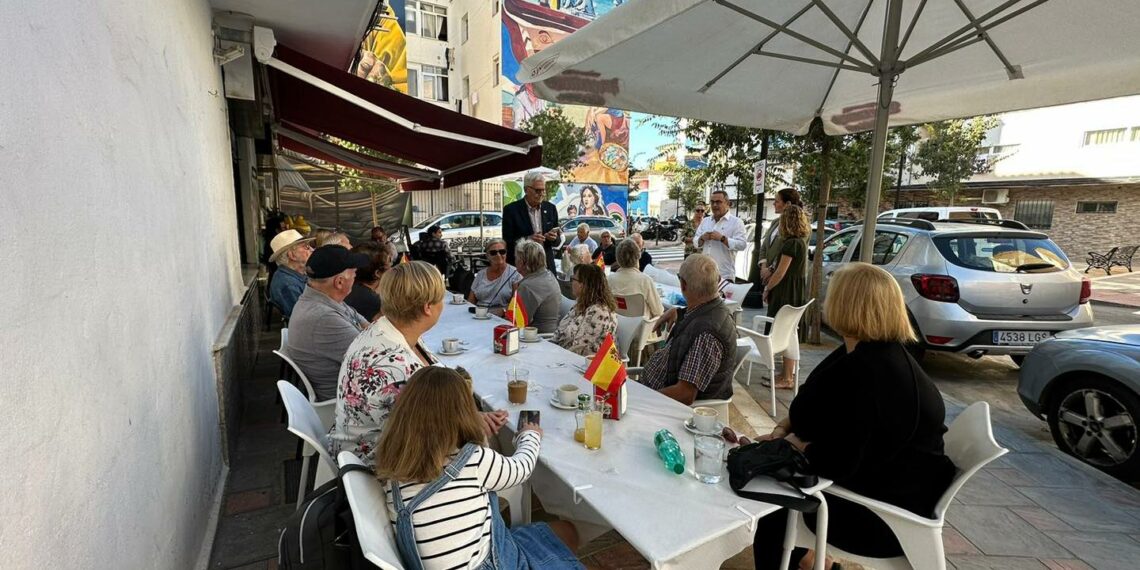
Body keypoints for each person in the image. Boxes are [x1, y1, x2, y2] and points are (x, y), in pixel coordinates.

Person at [751, 263, 956, 570]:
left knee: (771, 511)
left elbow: (837, 460)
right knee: (771, 479)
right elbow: (812, 405)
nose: (824, 301)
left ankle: (806, 559)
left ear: (847, 305)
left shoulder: (871, 373)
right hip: (897, 490)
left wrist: (794, 443)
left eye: (832, 295)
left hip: (882, 518)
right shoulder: (871, 353)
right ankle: (810, 560)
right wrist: (784, 431)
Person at [375, 367, 583, 570]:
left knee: (565, 532)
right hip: (493, 562)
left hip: (460, 556)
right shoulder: (473, 461)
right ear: (462, 412)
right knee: (568, 532)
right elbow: (522, 468)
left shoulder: (394, 465)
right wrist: (530, 435)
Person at [328, 261, 508, 464]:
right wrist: (470, 424)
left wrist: (471, 416)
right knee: (499, 455)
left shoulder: (388, 328)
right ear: (427, 308)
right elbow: (428, 440)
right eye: (441, 297)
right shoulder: (399, 370)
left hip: (359, 444)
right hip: (380, 467)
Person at [641, 254, 738, 405]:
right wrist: (678, 312)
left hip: (659, 406)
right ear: (718, 281)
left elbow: (685, 394)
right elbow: (700, 315)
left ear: (683, 285)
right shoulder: (708, 310)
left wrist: (642, 398)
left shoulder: (706, 335)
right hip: (652, 391)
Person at [286, 245, 372, 401]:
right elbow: (372, 357)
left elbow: (365, 323)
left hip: (352, 389)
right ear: (339, 282)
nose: (355, 278)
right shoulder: (324, 318)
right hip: (348, 403)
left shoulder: (324, 299)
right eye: (354, 273)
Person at [761, 204, 810, 389]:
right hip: (795, 290)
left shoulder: (790, 244)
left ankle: (787, 377)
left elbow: (780, 273)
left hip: (786, 291)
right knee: (789, 332)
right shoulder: (800, 242)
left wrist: (767, 289)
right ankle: (787, 375)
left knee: (784, 332)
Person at [552, 264, 618, 356]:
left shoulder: (599, 312)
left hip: (585, 365)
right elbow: (560, 333)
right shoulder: (581, 304)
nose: (571, 283)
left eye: (573, 279)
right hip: (564, 357)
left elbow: (578, 348)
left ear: (583, 285)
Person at [503, 171, 560, 271]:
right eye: (538, 191)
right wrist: (528, 239)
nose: (541, 194)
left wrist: (554, 238)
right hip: (523, 267)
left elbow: (557, 241)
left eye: (543, 190)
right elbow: (507, 242)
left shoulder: (551, 208)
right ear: (526, 190)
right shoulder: (511, 210)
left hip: (546, 266)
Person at [696, 190, 748, 282]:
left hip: (724, 275)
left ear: (727, 203)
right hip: (704, 273)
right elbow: (696, 241)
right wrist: (702, 238)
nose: (715, 205)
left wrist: (722, 238)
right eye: (712, 202)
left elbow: (742, 245)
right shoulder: (705, 221)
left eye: (718, 202)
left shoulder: (736, 222)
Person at [607, 238, 664, 320]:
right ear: (638, 257)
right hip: (641, 330)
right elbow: (658, 311)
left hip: (617, 327)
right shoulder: (645, 280)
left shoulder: (609, 280)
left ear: (618, 258)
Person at [514, 239, 562, 334]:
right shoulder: (548, 275)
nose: (515, 261)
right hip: (552, 332)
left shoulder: (528, 286)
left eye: (516, 258)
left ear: (523, 262)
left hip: (537, 337)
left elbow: (516, 322)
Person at [760, 188, 805, 286]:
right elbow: (764, 246)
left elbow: (790, 251)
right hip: (766, 277)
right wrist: (763, 267)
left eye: (777, 201)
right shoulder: (775, 222)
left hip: (785, 279)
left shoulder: (800, 227)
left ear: (787, 204)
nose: (773, 204)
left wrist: (771, 270)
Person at [467, 238, 522, 314]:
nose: (498, 255)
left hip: (502, 317)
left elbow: (517, 304)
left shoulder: (515, 274)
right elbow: (470, 302)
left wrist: (503, 311)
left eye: (502, 252)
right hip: (479, 315)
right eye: (493, 253)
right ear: (487, 256)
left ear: (506, 253)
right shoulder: (480, 274)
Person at [267, 229, 315, 318]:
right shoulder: (289, 284)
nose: (312, 249)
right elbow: (305, 317)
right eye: (306, 247)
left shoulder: (292, 275)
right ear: (292, 255)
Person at [345, 243, 389, 321]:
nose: (391, 269)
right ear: (378, 273)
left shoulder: (347, 289)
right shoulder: (375, 302)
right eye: (389, 264)